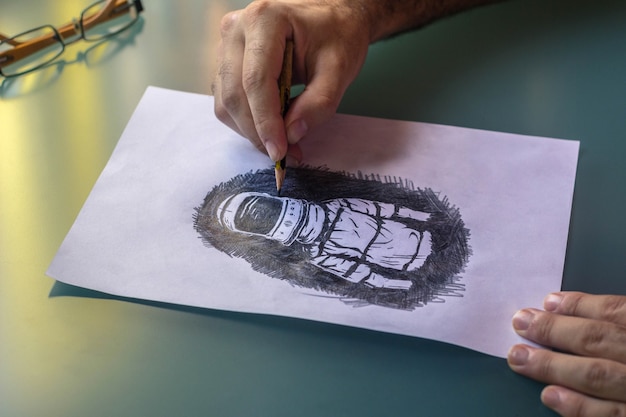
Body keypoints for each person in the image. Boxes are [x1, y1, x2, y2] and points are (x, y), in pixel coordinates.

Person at [212, 1, 626, 416]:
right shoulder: (318, 244)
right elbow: (350, 262)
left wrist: (409, 227)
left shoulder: (334, 220)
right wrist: (352, 12)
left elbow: (363, 229)